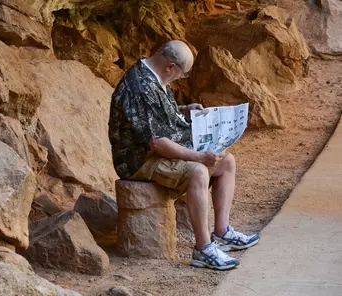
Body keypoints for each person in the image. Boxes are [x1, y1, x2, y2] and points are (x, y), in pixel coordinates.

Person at [108, 40, 259, 271]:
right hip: (139, 160)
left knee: (226, 161)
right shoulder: (140, 86)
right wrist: (198, 157)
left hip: (157, 150)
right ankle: (203, 249)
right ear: (170, 66)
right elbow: (157, 142)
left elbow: (155, 116)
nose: (180, 77)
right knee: (198, 171)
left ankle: (222, 232)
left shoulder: (153, 74)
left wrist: (184, 111)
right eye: (182, 73)